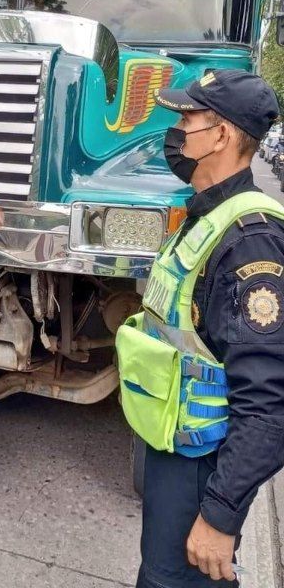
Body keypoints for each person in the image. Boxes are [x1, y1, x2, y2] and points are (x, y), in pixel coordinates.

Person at [115, 69, 284, 588]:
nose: (177, 131)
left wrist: (220, 515)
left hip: (203, 464)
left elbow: (268, 402)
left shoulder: (251, 242)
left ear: (224, 135)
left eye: (188, 118)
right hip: (174, 445)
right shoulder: (206, 214)